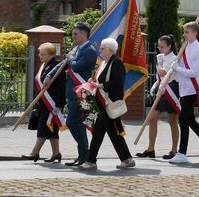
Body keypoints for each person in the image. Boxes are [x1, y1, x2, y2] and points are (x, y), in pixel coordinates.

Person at [81, 37, 136, 170]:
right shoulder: (103, 63)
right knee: (113, 131)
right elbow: (99, 79)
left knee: (99, 131)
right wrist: (92, 82)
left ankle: (91, 161)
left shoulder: (116, 63)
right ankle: (127, 159)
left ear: (110, 50)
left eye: (102, 48)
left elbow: (117, 83)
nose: (99, 50)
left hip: (109, 103)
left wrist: (100, 85)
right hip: (102, 102)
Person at [168, 22, 199, 164]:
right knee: (189, 120)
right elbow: (181, 69)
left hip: (192, 88)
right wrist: (175, 70)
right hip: (184, 88)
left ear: (195, 33)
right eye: (183, 31)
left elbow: (194, 72)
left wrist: (177, 68)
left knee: (183, 119)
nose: (184, 34)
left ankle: (182, 152)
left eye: (187, 32)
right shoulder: (185, 47)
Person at [137, 35, 180, 160]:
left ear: (169, 46)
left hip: (172, 90)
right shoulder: (162, 57)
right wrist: (155, 85)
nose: (159, 49)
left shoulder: (174, 58)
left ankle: (174, 150)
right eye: (158, 46)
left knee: (172, 120)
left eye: (162, 46)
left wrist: (159, 62)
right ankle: (151, 149)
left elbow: (163, 72)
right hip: (162, 90)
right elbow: (159, 77)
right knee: (152, 119)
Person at [23, 42, 64, 163]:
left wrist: (60, 105)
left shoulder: (56, 66)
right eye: (39, 54)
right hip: (44, 103)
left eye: (43, 54)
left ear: (51, 54)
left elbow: (61, 86)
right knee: (52, 130)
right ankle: (56, 153)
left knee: (44, 128)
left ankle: (34, 152)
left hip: (52, 103)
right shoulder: (45, 65)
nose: (40, 56)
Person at [63, 21, 97, 167]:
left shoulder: (89, 50)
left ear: (84, 35)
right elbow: (63, 64)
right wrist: (49, 75)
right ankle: (82, 156)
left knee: (71, 122)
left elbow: (76, 66)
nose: (73, 36)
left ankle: (86, 153)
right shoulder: (77, 49)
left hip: (82, 93)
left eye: (75, 34)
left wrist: (70, 58)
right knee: (78, 123)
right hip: (73, 93)